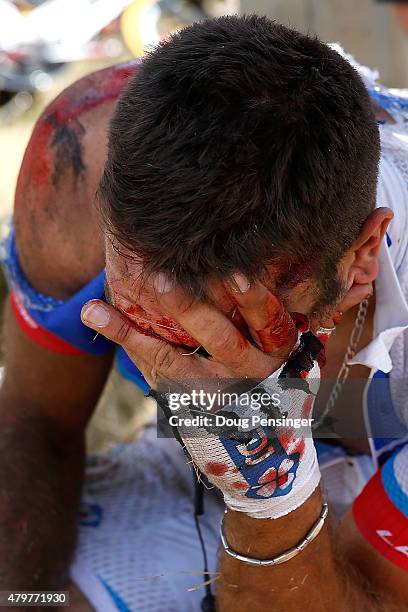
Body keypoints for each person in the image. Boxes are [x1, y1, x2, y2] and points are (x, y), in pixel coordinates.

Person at [1, 14, 408, 611]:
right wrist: (26, 600)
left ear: (364, 254)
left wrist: (267, 493)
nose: (188, 346)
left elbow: (364, 598)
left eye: (238, 323)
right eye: (146, 307)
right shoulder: (78, 168)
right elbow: (36, 417)